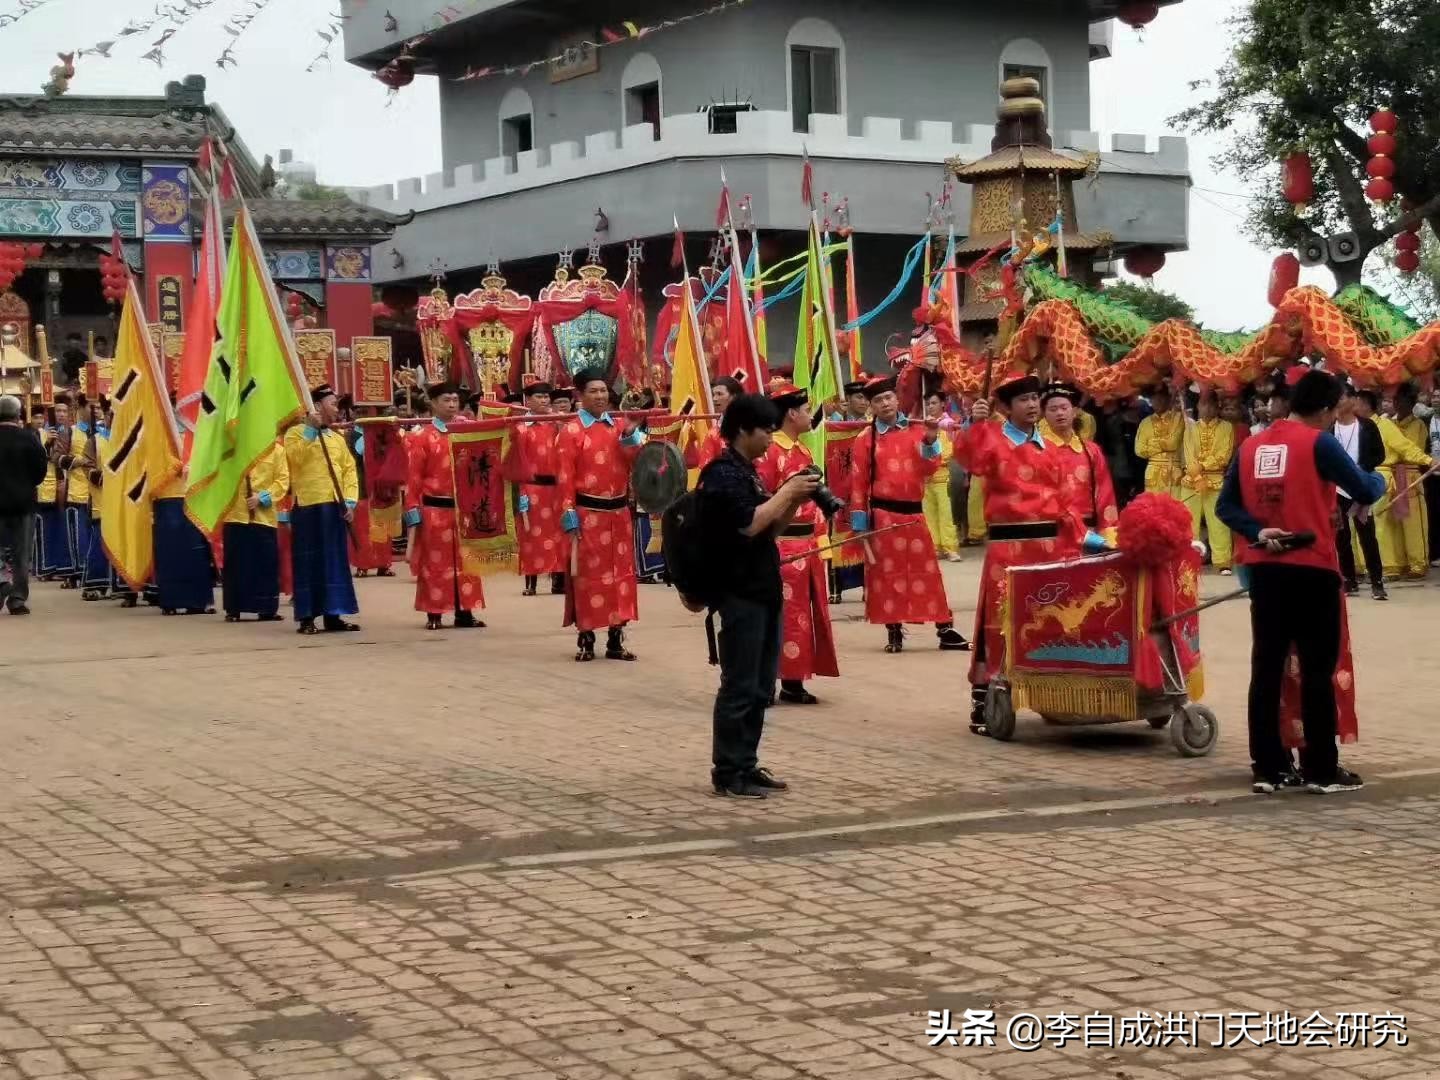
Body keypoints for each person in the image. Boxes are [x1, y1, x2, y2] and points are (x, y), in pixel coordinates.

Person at [1217, 370, 1384, 795]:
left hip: (1267, 570)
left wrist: (1257, 531)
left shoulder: (1251, 445)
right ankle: (1320, 768)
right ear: (1327, 409)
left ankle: (1269, 767)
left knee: (1266, 667)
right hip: (1312, 568)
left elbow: (1226, 506)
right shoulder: (1320, 443)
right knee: (1316, 669)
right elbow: (1362, 487)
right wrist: (1379, 479)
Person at [699, 393, 821, 798]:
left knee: (759, 685)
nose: (771, 437)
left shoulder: (748, 472)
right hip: (738, 592)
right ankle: (727, 770)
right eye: (766, 430)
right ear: (742, 430)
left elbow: (769, 529)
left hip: (763, 586)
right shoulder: (721, 474)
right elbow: (748, 525)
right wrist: (786, 492)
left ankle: (747, 764)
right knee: (738, 684)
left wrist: (793, 501)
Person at [960, 374, 1095, 733]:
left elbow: (1065, 505)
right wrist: (976, 424)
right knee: (999, 623)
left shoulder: (1050, 449)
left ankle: (1048, 694)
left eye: (1035, 398)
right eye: (1023, 400)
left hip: (1049, 549)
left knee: (1050, 621)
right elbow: (971, 461)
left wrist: (1092, 539)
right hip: (1008, 548)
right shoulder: (993, 440)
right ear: (1006, 408)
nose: (1033, 405)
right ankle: (984, 700)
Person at [848, 376, 969, 654]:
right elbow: (858, 483)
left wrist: (930, 440)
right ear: (871, 406)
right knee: (887, 576)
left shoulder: (917, 431)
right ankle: (894, 630)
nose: (885, 403)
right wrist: (859, 523)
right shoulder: (865, 439)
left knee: (927, 572)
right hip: (883, 516)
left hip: (914, 514)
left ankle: (945, 628)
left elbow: (930, 468)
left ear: (897, 399)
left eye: (888, 397)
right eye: (878, 400)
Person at [754, 384, 839, 705]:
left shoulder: (802, 450)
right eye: (806, 410)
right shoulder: (770, 450)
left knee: (802, 618)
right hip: (782, 545)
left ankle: (793, 679)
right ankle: (767, 681)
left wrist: (822, 541)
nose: (809, 415)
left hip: (807, 546)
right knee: (781, 617)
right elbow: (763, 499)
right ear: (791, 413)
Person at [556, 369, 646, 661]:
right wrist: (568, 512)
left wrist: (632, 433)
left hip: (618, 513)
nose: (599, 396)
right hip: (588, 514)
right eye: (593, 391)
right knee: (588, 577)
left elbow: (637, 462)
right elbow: (565, 476)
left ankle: (616, 639)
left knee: (620, 577)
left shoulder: (619, 427)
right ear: (580, 395)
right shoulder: (571, 431)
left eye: (604, 391)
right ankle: (586, 637)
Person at [403, 382, 485, 631]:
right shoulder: (421, 437)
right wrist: (413, 511)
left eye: (454, 400)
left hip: (464, 508)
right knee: (436, 564)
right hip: (434, 509)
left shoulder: (466, 431)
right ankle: (434, 611)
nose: (451, 405)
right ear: (433, 404)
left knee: (467, 562)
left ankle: (465, 611)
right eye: (446, 400)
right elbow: (413, 478)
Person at [284, 384, 361, 635]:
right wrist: (309, 430)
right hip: (308, 506)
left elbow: (350, 471)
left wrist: (350, 502)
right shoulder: (295, 434)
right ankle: (307, 616)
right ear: (317, 407)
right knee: (309, 561)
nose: (337, 409)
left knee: (334, 561)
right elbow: (293, 460)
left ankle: (334, 614)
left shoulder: (337, 439)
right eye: (333, 403)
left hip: (334, 506)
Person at [506, 381, 567, 597]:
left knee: (559, 534)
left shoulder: (555, 424)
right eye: (538, 397)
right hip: (531, 487)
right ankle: (530, 581)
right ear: (528, 401)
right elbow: (515, 460)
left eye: (545, 397)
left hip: (556, 487)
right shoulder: (521, 428)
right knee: (531, 534)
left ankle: (559, 579)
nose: (543, 401)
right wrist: (522, 492)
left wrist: (561, 426)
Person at [1040, 383, 1119, 543]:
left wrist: (1108, 533)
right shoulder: (1038, 450)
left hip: (1088, 531)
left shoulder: (1091, 450)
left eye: (1064, 407)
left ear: (1075, 411)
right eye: (1053, 409)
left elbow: (1104, 493)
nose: (1059, 413)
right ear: (1044, 415)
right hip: (1053, 533)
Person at [221, 438, 289, 622]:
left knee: (265, 563)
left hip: (264, 517)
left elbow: (282, 480)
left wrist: (262, 497)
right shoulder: (234, 447)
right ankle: (234, 608)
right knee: (236, 564)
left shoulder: (277, 450)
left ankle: (266, 608)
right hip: (235, 514)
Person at [1332, 384, 1386, 599]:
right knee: (1341, 536)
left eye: (1342, 396)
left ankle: (1377, 582)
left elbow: (1379, 455)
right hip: (1337, 488)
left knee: (1367, 535)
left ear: (1353, 400)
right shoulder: (1329, 428)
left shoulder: (1367, 426)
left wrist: (1361, 470)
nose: (1338, 401)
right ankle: (1349, 580)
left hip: (1361, 485)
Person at [0, 394, 47, 615]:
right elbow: (40, 472)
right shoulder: (30, 439)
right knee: (22, 552)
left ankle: (1, 583)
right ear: (18, 415)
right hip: (23, 503)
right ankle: (17, 598)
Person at [1180, 393, 1236, 574]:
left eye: (1211, 405)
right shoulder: (1190, 428)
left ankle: (1222, 562)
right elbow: (1188, 454)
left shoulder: (1226, 427)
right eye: (1203, 405)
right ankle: (1189, 559)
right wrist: (1196, 476)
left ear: (1217, 407)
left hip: (1215, 480)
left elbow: (1224, 455)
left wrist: (1203, 466)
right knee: (1188, 522)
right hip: (1191, 481)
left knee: (1218, 522)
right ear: (1198, 407)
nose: (1207, 409)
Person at [1384, 383, 1432, 579]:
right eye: (1395, 400)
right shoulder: (1390, 424)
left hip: (1411, 472)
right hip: (1394, 473)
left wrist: (1396, 442)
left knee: (1413, 522)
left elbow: (1411, 449)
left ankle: (1418, 563)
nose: (1397, 404)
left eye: (1401, 400)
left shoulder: (1418, 424)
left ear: (1410, 403)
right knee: (1395, 521)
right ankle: (1399, 562)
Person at [922, 390, 962, 562]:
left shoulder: (948, 424)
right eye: (928, 404)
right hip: (926, 477)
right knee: (929, 513)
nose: (930, 407)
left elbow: (949, 450)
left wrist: (934, 458)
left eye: (934, 403)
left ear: (943, 404)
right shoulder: (924, 424)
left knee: (946, 513)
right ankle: (935, 546)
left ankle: (950, 547)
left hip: (943, 474)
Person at [33, 405, 69, 581]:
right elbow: (37, 458)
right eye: (58, 411)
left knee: (61, 528)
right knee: (45, 529)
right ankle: (45, 568)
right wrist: (47, 445)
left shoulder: (72, 432)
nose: (61, 414)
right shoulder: (40, 434)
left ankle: (61, 566)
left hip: (66, 486)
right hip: (45, 486)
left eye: (65, 411)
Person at [1135, 384, 1184, 498]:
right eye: (1155, 398)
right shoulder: (1145, 422)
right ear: (1151, 400)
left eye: (1161, 398)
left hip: (1173, 471)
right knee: (1152, 508)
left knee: (1174, 509)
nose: (1158, 401)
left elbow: (1173, 443)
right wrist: (1163, 444)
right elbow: (1139, 450)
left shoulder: (1178, 418)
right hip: (1153, 472)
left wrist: (1152, 443)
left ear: (1168, 399)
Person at [685, 376, 742, 471]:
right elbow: (706, 470)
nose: (715, 399)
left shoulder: (752, 427)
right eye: (714, 395)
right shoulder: (713, 435)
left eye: (719, 394)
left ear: (734, 396)